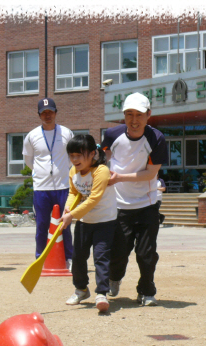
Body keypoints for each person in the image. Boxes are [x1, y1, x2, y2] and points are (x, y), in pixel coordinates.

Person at [101, 92, 168, 306]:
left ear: (149, 114)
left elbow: (150, 173)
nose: (134, 120)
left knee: (146, 253)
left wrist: (119, 177)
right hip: (119, 205)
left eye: (139, 114)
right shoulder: (112, 135)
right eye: (129, 114)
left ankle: (146, 291)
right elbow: (101, 160)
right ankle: (114, 277)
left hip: (147, 203)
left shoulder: (156, 139)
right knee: (119, 252)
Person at [60, 135, 117, 313]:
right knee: (77, 257)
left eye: (79, 155)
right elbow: (73, 192)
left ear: (92, 154)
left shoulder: (101, 171)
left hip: (105, 220)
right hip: (84, 222)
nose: (75, 159)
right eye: (72, 155)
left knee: (101, 256)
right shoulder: (73, 172)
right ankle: (81, 289)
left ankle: (101, 293)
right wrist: (67, 209)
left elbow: (93, 199)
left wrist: (72, 216)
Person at [23, 98, 74, 270]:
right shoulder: (32, 136)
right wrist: (41, 172)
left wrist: (64, 171)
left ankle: (68, 257)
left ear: (56, 113)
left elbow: (72, 158)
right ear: (39, 115)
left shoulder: (66, 133)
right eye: (44, 113)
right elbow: (29, 160)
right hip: (41, 188)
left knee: (65, 224)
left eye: (50, 112)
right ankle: (40, 258)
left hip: (63, 187)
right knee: (42, 224)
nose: (47, 115)